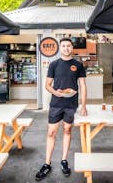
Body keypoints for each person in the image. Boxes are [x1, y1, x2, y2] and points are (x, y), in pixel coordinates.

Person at [35, 37, 87, 181]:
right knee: (51, 133)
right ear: (60, 48)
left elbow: (82, 85)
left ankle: (64, 160)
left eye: (68, 46)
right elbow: (47, 85)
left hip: (71, 104)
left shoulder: (78, 65)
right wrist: (56, 92)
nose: (66, 48)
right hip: (56, 103)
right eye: (63, 46)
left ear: (72, 48)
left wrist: (83, 105)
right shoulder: (54, 64)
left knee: (67, 130)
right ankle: (47, 163)